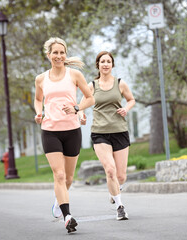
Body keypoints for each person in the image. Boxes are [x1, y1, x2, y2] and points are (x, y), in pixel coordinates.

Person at [34, 37, 94, 233]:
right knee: (58, 174)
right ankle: (67, 216)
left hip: (72, 130)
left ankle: (58, 200)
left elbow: (90, 97)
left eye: (62, 52)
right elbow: (38, 100)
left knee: (68, 178)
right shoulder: (41, 79)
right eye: (55, 52)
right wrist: (38, 112)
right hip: (50, 131)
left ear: (65, 54)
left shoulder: (74, 75)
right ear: (48, 55)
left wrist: (77, 108)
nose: (59, 56)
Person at [79, 51, 135, 220]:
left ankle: (114, 190)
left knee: (121, 176)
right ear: (98, 65)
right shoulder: (92, 86)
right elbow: (81, 105)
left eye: (108, 61)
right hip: (100, 133)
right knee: (110, 170)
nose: (105, 64)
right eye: (102, 61)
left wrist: (126, 108)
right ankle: (120, 207)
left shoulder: (120, 83)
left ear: (112, 65)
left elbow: (131, 100)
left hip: (120, 132)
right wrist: (81, 115)